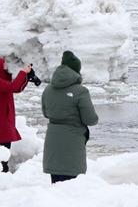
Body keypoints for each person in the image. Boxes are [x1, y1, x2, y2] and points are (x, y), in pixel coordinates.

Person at [42, 51, 98, 184]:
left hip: (53, 140)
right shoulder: (80, 91)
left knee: (56, 186)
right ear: (76, 71)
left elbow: (45, 113)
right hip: (72, 142)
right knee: (72, 189)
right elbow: (90, 119)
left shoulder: (48, 89)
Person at [0, 57, 31, 173]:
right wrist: (22, 72)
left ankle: (3, 174)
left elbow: (17, 89)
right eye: (4, 65)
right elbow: (14, 87)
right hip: (1, 124)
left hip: (4, 122)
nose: (6, 66)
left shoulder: (1, 81)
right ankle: (2, 176)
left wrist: (26, 77)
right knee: (2, 155)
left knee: (5, 152)